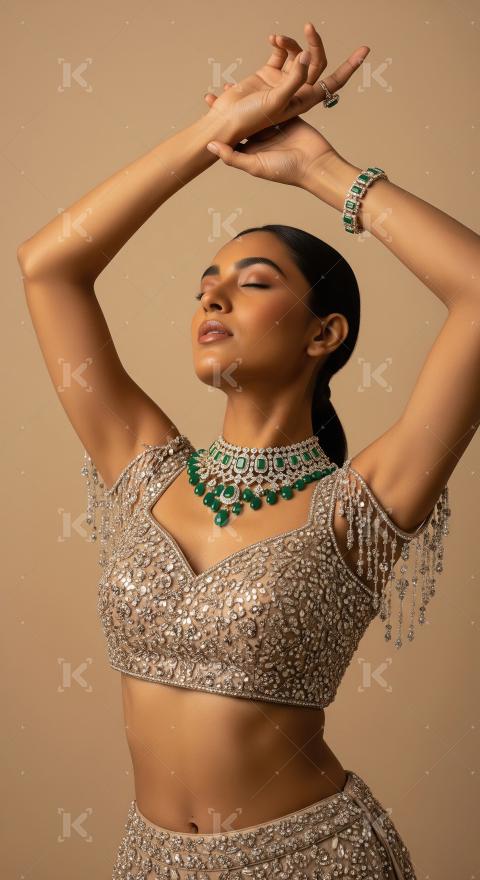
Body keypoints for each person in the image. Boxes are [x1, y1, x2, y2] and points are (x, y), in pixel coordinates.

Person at [17, 20, 478, 880]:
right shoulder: (144, 467)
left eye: (254, 282)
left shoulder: (362, 503)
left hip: (317, 861)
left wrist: (317, 170)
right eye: (206, 287)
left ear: (324, 334)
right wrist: (214, 132)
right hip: (149, 862)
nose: (214, 298)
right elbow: (47, 267)